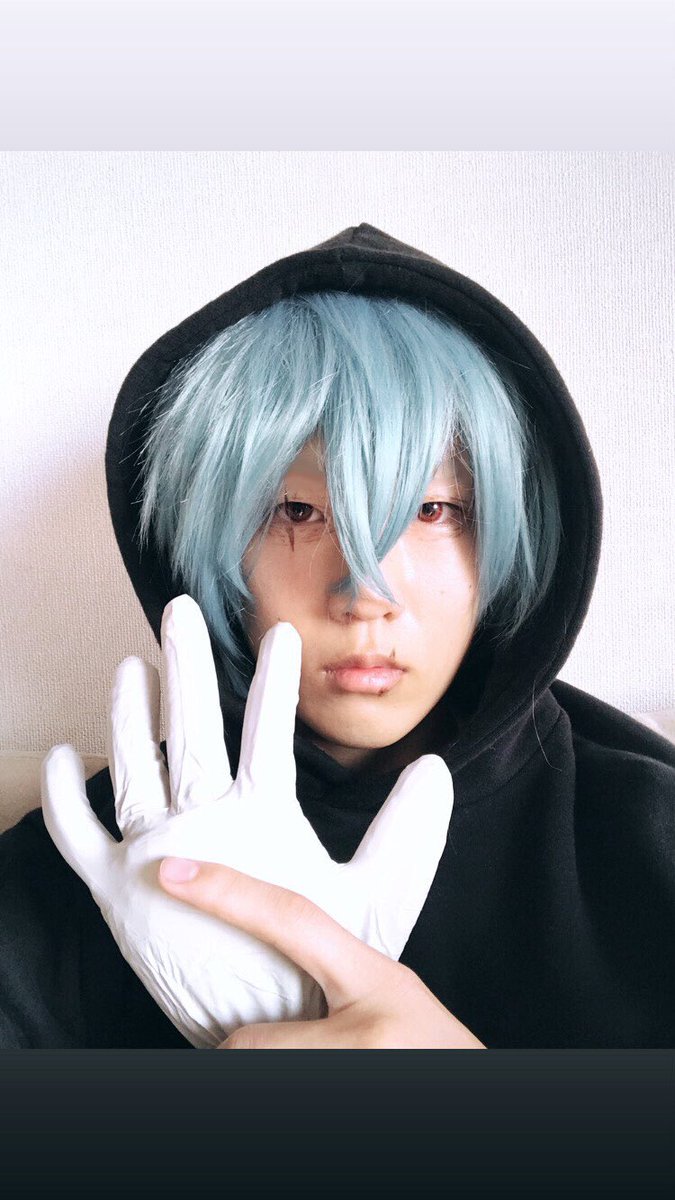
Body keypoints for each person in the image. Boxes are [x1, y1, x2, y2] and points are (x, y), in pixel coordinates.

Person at [1, 222, 673, 1047]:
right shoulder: (89, 865)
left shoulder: (647, 835)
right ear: (206, 547)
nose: (365, 594)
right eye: (296, 510)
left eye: (433, 509)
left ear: (511, 530)